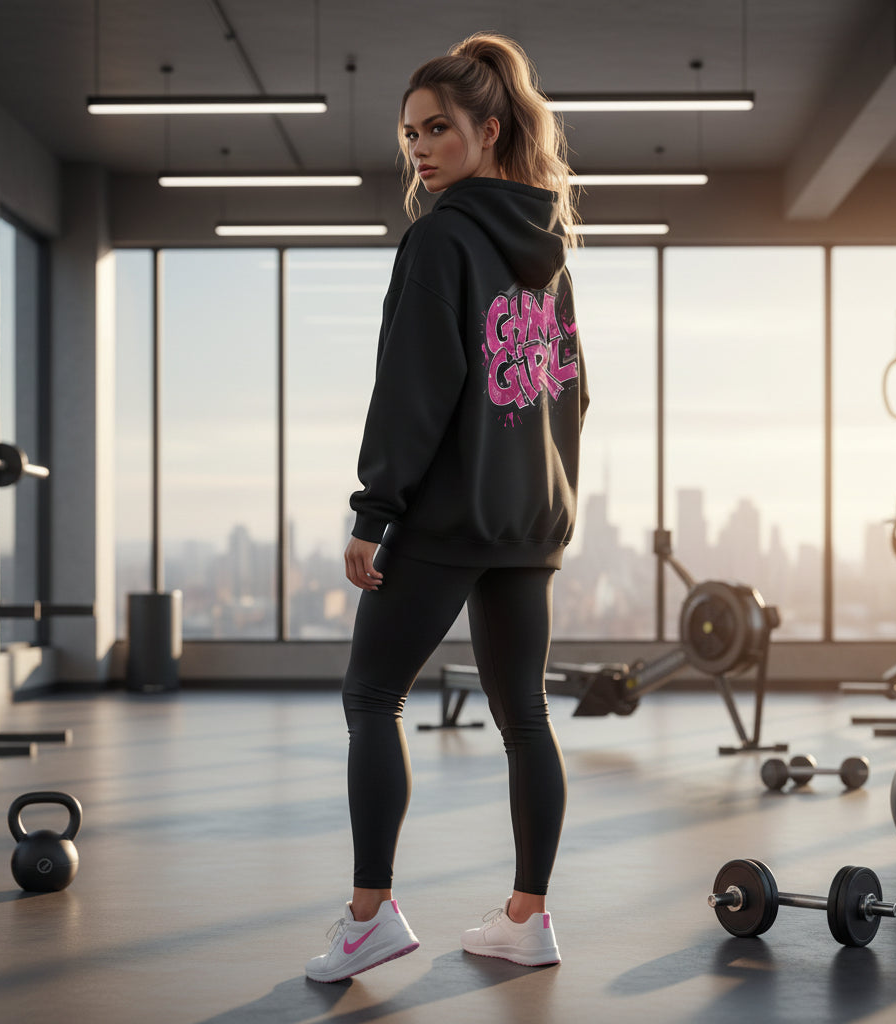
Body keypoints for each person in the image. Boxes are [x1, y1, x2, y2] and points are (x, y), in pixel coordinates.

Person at [305, 31, 588, 984]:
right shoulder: (551, 252)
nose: (419, 150)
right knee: (524, 718)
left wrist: (374, 509)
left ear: (489, 129)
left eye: (438, 129)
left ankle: (369, 914)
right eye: (410, 134)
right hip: (525, 524)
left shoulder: (441, 238)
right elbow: (569, 398)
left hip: (446, 518)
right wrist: (549, 508)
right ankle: (527, 917)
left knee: (371, 696)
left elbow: (414, 387)